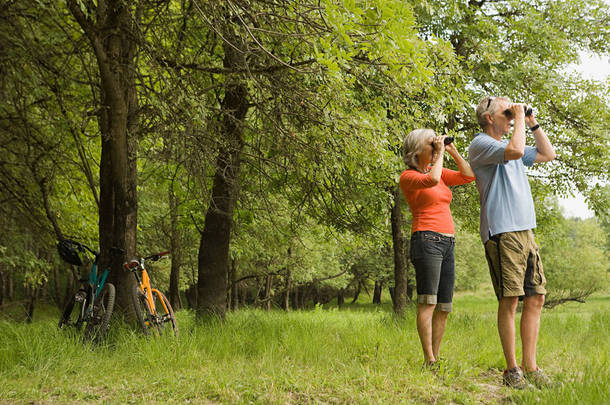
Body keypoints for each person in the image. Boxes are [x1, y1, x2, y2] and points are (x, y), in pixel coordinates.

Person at [468, 96, 556, 389]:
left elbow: (548, 154)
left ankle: (531, 367)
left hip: (525, 230)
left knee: (536, 297)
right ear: (489, 117)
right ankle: (512, 371)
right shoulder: (481, 144)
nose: (511, 116)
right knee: (510, 300)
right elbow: (516, 150)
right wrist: (518, 117)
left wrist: (531, 122)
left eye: (512, 112)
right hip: (502, 230)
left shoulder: (512, 143)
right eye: (505, 112)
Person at [399, 129, 475, 368]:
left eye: (435, 146)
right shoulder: (408, 176)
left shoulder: (440, 173)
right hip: (426, 239)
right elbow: (430, 180)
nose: (434, 150)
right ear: (417, 150)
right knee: (428, 302)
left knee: (444, 306)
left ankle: (436, 358)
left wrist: (451, 150)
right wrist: (440, 152)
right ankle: (428, 359)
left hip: (448, 242)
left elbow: (468, 175)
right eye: (430, 147)